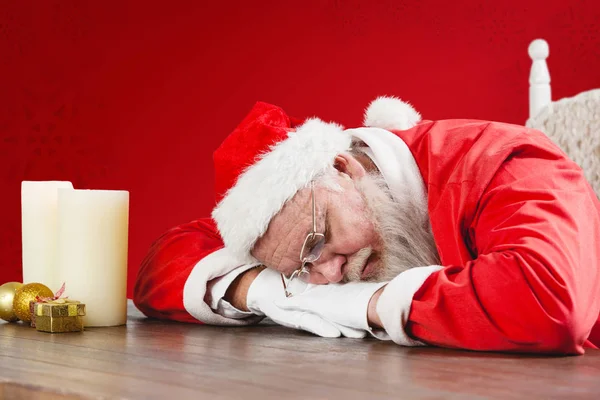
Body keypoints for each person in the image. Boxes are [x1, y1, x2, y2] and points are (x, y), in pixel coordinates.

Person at [133, 97, 600, 354]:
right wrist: (266, 290)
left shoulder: (507, 161)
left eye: (320, 244)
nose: (330, 274)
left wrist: (370, 305)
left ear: (347, 168)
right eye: (300, 267)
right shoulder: (299, 220)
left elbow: (548, 300)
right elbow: (161, 267)